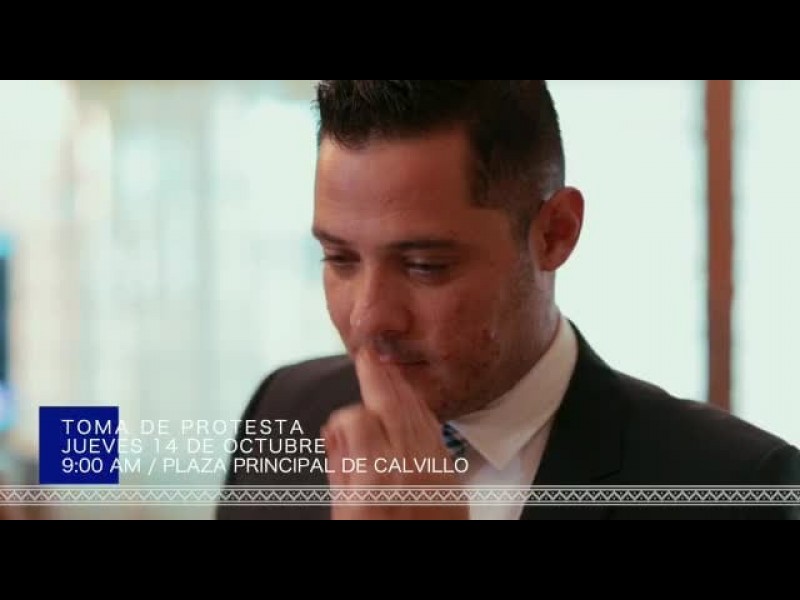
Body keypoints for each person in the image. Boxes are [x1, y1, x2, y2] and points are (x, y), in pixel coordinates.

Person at [217, 80, 800, 520]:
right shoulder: (283, 410)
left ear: (555, 233)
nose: (369, 317)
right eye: (340, 259)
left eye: (425, 266)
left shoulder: (739, 487)